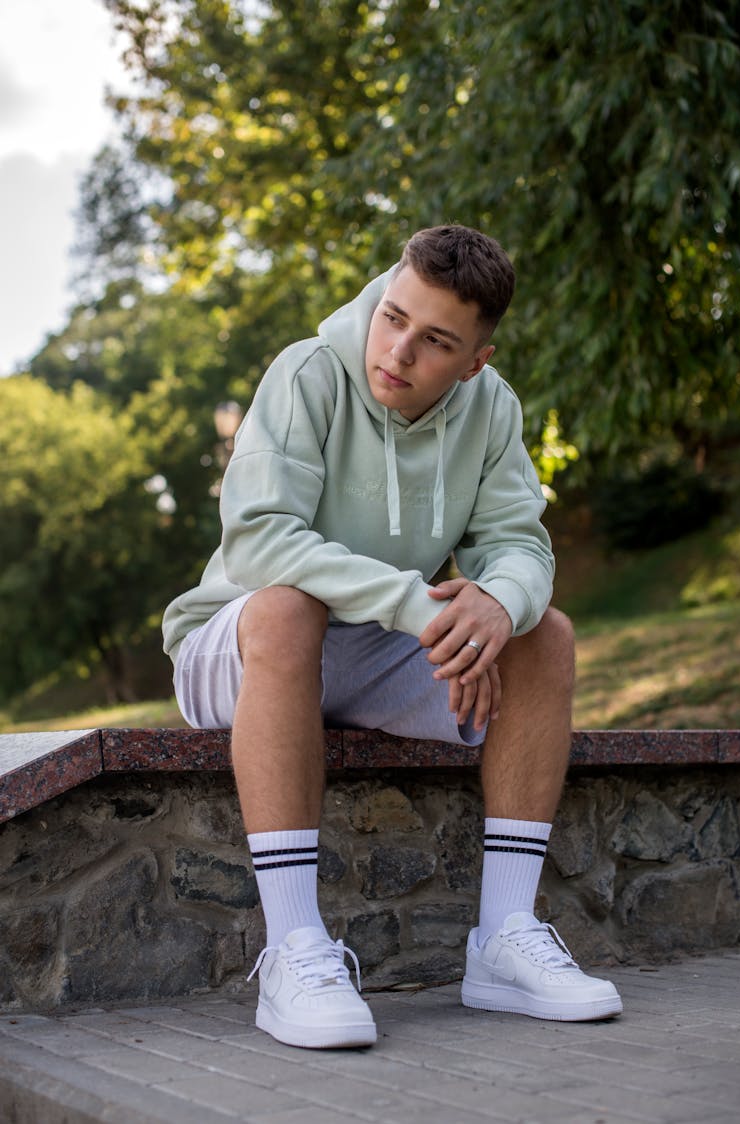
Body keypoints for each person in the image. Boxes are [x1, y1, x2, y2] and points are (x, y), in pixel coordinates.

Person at [162, 224, 622, 1050]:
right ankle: (294, 948)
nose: (398, 349)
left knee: (543, 636)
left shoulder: (494, 408)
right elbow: (261, 541)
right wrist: (423, 606)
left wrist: (497, 605)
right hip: (233, 644)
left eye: (435, 340)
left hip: (368, 652)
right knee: (286, 607)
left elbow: (519, 545)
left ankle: (504, 942)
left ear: (475, 359)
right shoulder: (308, 373)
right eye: (391, 315)